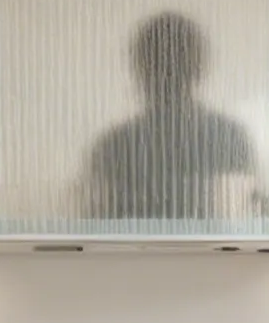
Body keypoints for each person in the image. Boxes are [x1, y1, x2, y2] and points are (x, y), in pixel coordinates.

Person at [87, 12, 258, 220]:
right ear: (199, 69)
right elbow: (242, 221)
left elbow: (98, 225)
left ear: (141, 70)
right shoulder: (229, 138)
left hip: (133, 253)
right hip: (208, 252)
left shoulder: (114, 144)